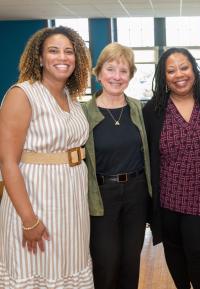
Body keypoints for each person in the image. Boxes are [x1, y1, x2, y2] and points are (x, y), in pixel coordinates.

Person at [0, 26, 93, 288]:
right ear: (39, 58)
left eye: (69, 52)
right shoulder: (23, 94)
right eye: (53, 51)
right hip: (36, 199)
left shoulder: (72, 99)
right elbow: (8, 161)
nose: (62, 57)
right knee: (38, 268)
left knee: (68, 265)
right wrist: (29, 220)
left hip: (72, 203)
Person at [143, 47, 200, 289]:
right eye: (171, 70)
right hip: (167, 197)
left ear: (194, 69)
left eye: (184, 67)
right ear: (163, 76)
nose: (179, 74)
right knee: (174, 251)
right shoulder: (152, 110)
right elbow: (147, 154)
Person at [82, 42, 151, 289]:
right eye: (110, 69)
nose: (117, 77)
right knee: (105, 262)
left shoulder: (139, 109)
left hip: (136, 192)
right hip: (101, 197)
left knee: (130, 261)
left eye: (124, 71)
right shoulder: (83, 113)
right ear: (99, 73)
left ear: (130, 76)